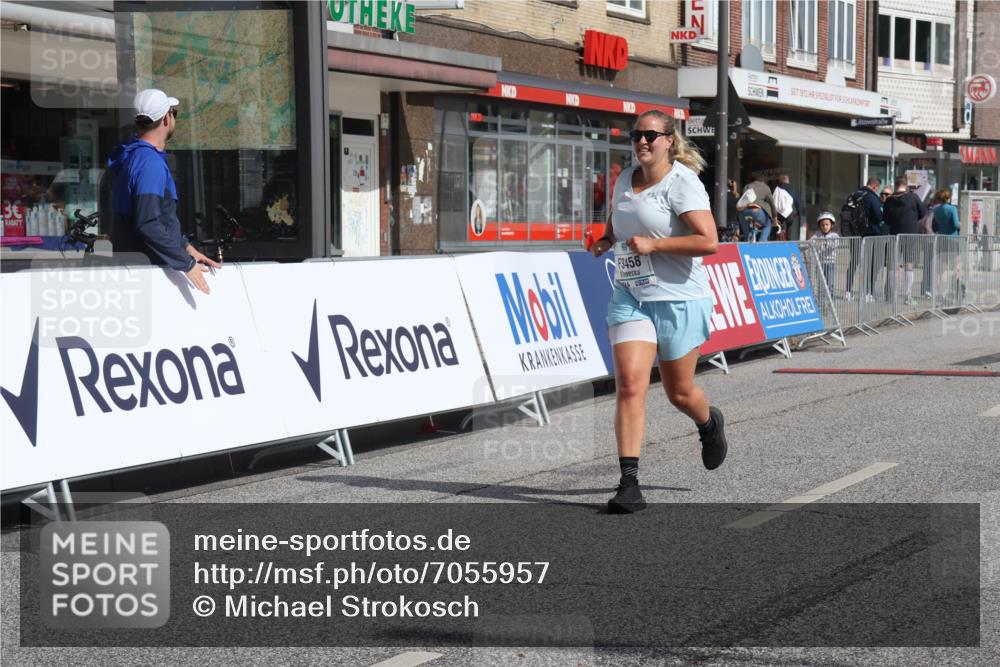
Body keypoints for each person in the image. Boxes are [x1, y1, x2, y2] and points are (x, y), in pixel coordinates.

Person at [588, 109, 728, 514]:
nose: (642, 142)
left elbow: (708, 241)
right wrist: (605, 239)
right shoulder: (624, 179)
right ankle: (629, 484)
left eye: (651, 135)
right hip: (631, 295)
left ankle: (708, 422)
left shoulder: (682, 184)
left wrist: (656, 245)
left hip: (679, 299)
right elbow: (620, 219)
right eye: (636, 135)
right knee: (630, 385)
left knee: (679, 393)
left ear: (670, 140)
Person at [109, 88, 220, 294]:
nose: (173, 118)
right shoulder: (149, 163)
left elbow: (160, 218)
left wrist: (185, 247)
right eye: (173, 113)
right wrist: (186, 264)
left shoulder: (133, 155)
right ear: (166, 119)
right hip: (149, 273)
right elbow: (148, 223)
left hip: (136, 270)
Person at [882, 176, 927, 305]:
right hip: (910, 234)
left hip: (894, 235)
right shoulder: (913, 197)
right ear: (906, 185)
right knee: (909, 265)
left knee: (893, 265)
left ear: (895, 185)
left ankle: (892, 295)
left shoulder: (889, 200)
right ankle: (908, 296)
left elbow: (885, 219)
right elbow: (923, 213)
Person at [843, 176, 885, 301]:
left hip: (854, 234)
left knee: (853, 262)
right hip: (870, 234)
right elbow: (878, 217)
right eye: (878, 188)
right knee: (871, 264)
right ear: (875, 186)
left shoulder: (853, 195)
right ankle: (867, 293)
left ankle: (848, 291)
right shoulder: (871, 197)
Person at [931, 188, 962, 299]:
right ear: (948, 198)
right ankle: (956, 290)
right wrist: (961, 224)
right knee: (957, 266)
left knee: (939, 269)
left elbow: (934, 226)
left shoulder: (936, 210)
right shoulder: (952, 209)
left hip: (941, 240)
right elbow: (956, 224)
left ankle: (938, 293)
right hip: (953, 239)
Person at [739, 175, 776, 242]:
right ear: (763, 182)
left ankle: (747, 239)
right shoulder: (765, 187)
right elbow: (772, 204)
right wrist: (775, 217)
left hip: (743, 211)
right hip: (756, 211)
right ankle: (762, 241)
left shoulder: (746, 186)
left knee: (746, 234)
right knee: (767, 224)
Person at [811, 211, 840, 295]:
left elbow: (835, 244)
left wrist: (824, 242)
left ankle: (830, 299)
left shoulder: (834, 235)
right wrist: (813, 243)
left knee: (830, 283)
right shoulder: (817, 234)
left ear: (832, 225)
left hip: (830, 262)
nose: (825, 227)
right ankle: (821, 300)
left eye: (827, 224)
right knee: (820, 283)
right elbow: (811, 242)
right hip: (820, 263)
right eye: (822, 225)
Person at [776, 174, 803, 240]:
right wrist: (799, 213)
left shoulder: (776, 189)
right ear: (787, 181)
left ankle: (778, 240)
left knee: (778, 228)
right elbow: (797, 202)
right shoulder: (791, 189)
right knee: (789, 226)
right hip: (789, 213)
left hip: (778, 212)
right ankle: (788, 241)